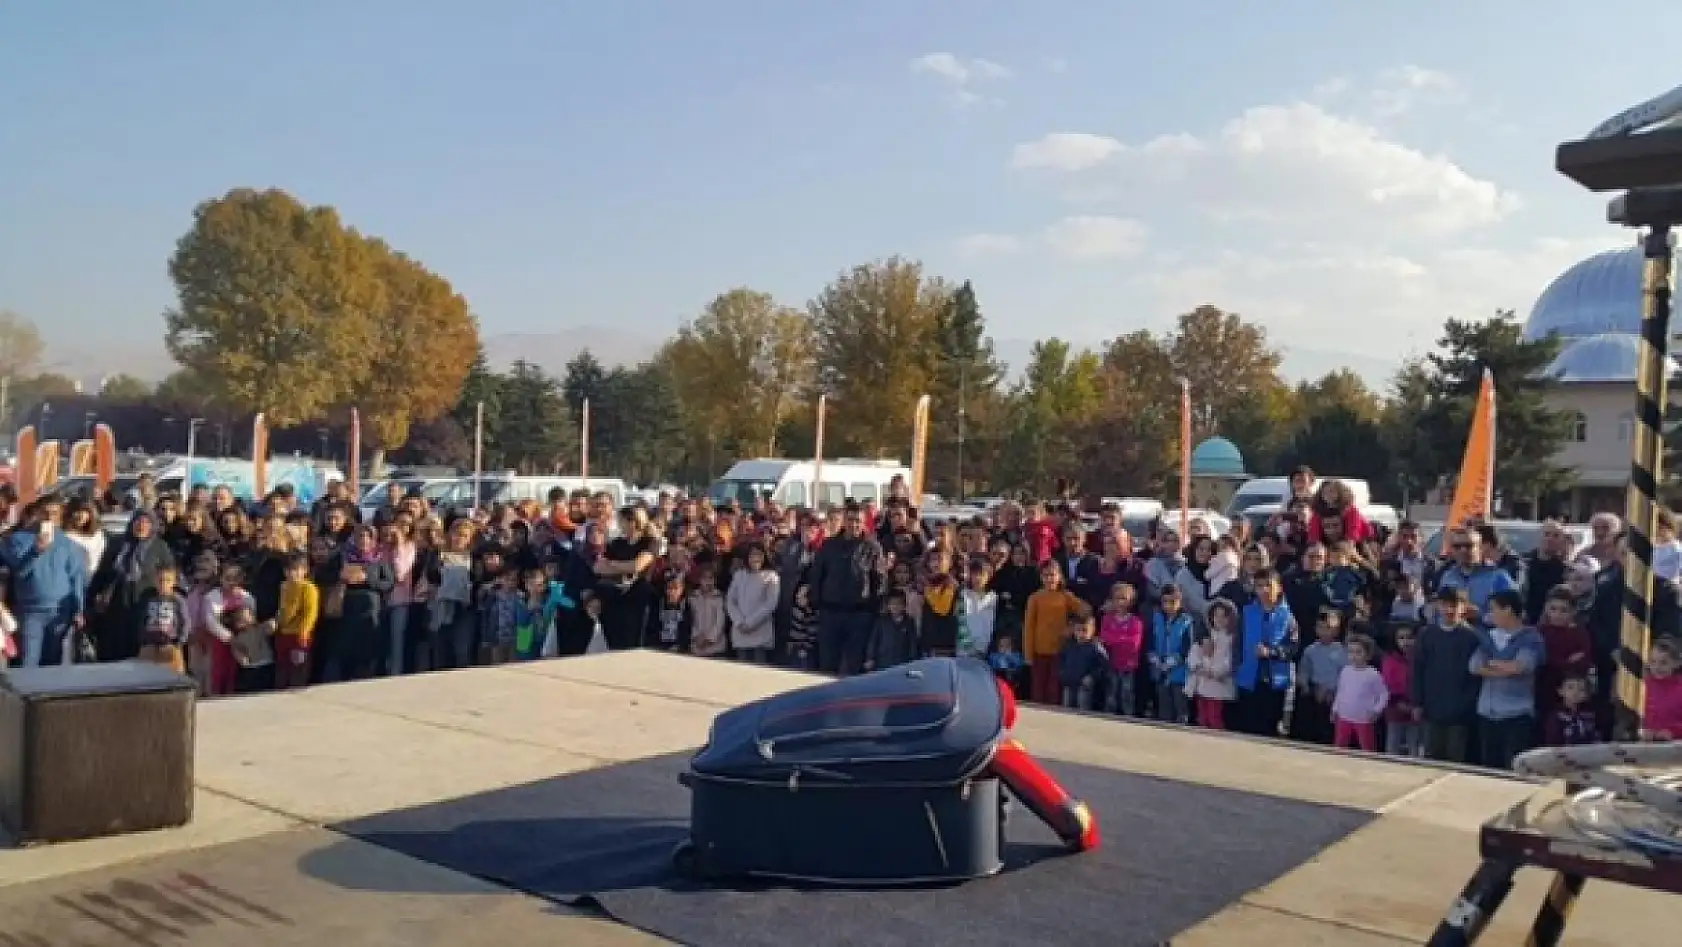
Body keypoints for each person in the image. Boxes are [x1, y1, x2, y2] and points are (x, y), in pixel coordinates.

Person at [1, 498, 88, 668]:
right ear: (37, 513)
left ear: (61, 516)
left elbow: (76, 578)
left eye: (54, 513)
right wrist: (35, 551)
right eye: (45, 512)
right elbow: (17, 570)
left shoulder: (68, 544)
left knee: (52, 661)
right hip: (30, 610)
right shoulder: (19, 539)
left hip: (59, 612)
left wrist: (79, 609)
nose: (49, 516)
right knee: (28, 661)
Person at [807, 502, 884, 676]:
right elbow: (817, 576)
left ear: (864, 522)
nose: (854, 524)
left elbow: (879, 582)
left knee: (854, 665)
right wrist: (817, 604)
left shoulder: (872, 548)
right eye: (850, 520)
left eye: (858, 521)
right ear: (844, 521)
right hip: (830, 613)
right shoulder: (829, 545)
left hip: (859, 615)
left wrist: (872, 610)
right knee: (827, 665)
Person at [1470, 589, 1544, 770]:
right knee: (1489, 767)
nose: (1490, 614)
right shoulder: (1488, 637)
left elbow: (1521, 666)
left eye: (1493, 609)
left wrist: (1492, 663)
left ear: (1508, 610)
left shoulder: (1530, 638)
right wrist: (1503, 668)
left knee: (1514, 766)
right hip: (1487, 713)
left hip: (1516, 714)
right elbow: (1474, 666)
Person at [1412, 587, 1483, 764]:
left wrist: (1467, 705)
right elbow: (1418, 669)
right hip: (1432, 708)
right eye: (1444, 605)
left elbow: (1476, 677)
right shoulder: (1427, 634)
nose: (1449, 610)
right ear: (1437, 606)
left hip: (1460, 712)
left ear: (1464, 607)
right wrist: (1417, 702)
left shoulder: (1472, 637)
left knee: (1455, 758)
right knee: (1430, 757)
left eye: (1454, 605)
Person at [1233, 570, 1298, 737]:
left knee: (1268, 727)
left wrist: (1272, 652)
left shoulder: (1288, 616)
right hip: (1248, 678)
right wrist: (1236, 667)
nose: (1263, 590)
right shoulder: (1247, 612)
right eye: (1259, 586)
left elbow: (1293, 647)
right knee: (1246, 725)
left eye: (1268, 585)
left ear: (1279, 588)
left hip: (1275, 680)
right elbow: (1237, 642)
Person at [1025, 560, 1084, 704]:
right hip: (1039, 650)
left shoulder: (1065, 596)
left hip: (1060, 650)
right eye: (1046, 575)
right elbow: (1029, 626)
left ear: (1059, 576)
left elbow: (1085, 610)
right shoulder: (1035, 598)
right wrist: (1028, 654)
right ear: (1041, 577)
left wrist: (1072, 628)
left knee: (1054, 689)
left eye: (1052, 575)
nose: (1049, 579)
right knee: (1038, 689)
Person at [1295, 609, 1348, 746]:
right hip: (1314, 694)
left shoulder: (1343, 652)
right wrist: (1306, 685)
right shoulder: (1310, 650)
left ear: (1337, 630)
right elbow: (1304, 671)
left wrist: (1332, 690)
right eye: (1321, 627)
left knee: (1328, 733)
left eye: (1329, 628)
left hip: (1333, 698)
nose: (1324, 632)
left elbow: (1344, 676)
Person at [1330, 634, 1387, 752]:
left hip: (1363, 718)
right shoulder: (1345, 671)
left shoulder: (1373, 674)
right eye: (1350, 652)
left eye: (1358, 652)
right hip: (1344, 716)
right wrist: (1335, 709)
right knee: (1339, 747)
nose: (1354, 656)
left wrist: (1376, 710)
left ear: (1368, 655)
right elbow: (1340, 691)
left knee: (1367, 748)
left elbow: (1384, 694)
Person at [1186, 598, 1237, 730]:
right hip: (1203, 682)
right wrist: (1197, 667)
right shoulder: (1206, 636)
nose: (1219, 619)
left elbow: (1230, 660)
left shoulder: (1231, 639)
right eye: (1216, 616)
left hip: (1219, 684)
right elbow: (1194, 652)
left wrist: (1216, 672)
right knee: (1202, 716)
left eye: (1223, 616)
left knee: (1215, 716)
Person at [725, 542, 779, 663]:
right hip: (740, 633)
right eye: (752, 555)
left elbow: (771, 603)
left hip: (760, 634)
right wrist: (739, 622)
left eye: (759, 555)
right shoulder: (739, 575)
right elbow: (730, 601)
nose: (755, 558)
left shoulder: (771, 576)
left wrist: (750, 623)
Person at [1150, 584, 1196, 724]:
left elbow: (1188, 646)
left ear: (1179, 601)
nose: (1168, 606)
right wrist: (1154, 657)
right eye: (1165, 602)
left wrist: (1173, 661)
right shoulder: (1157, 618)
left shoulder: (1186, 621)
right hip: (1160, 670)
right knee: (1164, 706)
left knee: (1180, 705)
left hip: (1179, 672)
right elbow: (1151, 639)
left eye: (1172, 602)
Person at [274, 552, 319, 688]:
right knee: (282, 668)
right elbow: (282, 609)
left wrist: (303, 634)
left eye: (295, 569)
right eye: (288, 570)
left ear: (304, 570)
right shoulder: (284, 586)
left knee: (298, 669)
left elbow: (310, 614)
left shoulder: (308, 588)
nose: (292, 574)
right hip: (283, 633)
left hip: (299, 635)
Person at [1098, 582, 1143, 716]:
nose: (1120, 602)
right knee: (1111, 692)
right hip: (1111, 662)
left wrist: (1116, 639)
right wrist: (1122, 638)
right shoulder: (1107, 619)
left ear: (1131, 601)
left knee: (1126, 693)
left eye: (1124, 598)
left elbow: (1134, 643)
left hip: (1128, 664)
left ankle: (1128, 717)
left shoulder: (1136, 621)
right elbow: (1104, 638)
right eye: (1117, 598)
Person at [135, 563, 189, 674]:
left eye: (167, 580)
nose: (163, 584)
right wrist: (142, 639)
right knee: (145, 674)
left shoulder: (178, 600)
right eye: (160, 580)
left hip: (170, 643)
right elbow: (142, 620)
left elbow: (185, 621)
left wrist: (180, 641)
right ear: (155, 581)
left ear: (174, 582)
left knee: (174, 675)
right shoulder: (148, 599)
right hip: (149, 643)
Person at [1380, 625, 1423, 758]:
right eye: (1401, 638)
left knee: (1414, 749)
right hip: (1395, 710)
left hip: (1416, 712)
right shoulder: (1390, 660)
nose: (1406, 641)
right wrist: (1398, 702)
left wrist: (1417, 705)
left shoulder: (1422, 659)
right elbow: (1387, 684)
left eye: (1410, 637)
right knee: (1393, 748)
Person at [1058, 610, 1107, 710]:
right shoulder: (1069, 645)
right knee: (1066, 708)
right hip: (1069, 683)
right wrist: (1062, 673)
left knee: (1083, 708)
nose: (1081, 633)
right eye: (1078, 630)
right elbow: (1062, 660)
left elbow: (1102, 665)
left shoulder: (1095, 647)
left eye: (1084, 630)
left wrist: (1092, 677)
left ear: (1092, 630)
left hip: (1084, 685)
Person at [866, 588, 919, 672]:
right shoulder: (881, 621)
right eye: (892, 604)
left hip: (902, 663)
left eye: (899, 604)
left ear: (904, 606)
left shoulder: (909, 622)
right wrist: (870, 658)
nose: (896, 607)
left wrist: (913, 660)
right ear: (888, 605)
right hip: (883, 662)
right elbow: (873, 641)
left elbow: (913, 643)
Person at [1641, 638, 1682, 741]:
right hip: (1645, 746)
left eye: (1663, 663)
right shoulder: (1643, 686)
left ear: (1677, 663)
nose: (1657, 667)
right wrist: (1642, 730)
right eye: (1653, 662)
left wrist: (1673, 732)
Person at [1543, 676, 1599, 747]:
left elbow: (1596, 738)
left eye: (1580, 689)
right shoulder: (1555, 716)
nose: (1575, 692)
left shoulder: (1590, 714)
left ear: (1586, 694)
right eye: (1570, 688)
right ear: (1561, 691)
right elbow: (1552, 744)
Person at [687, 567, 729, 659]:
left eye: (711, 578)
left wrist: (710, 639)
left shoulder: (719, 597)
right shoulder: (693, 597)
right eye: (705, 578)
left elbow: (720, 621)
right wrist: (696, 637)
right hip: (697, 646)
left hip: (716, 648)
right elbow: (691, 620)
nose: (708, 581)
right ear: (699, 580)